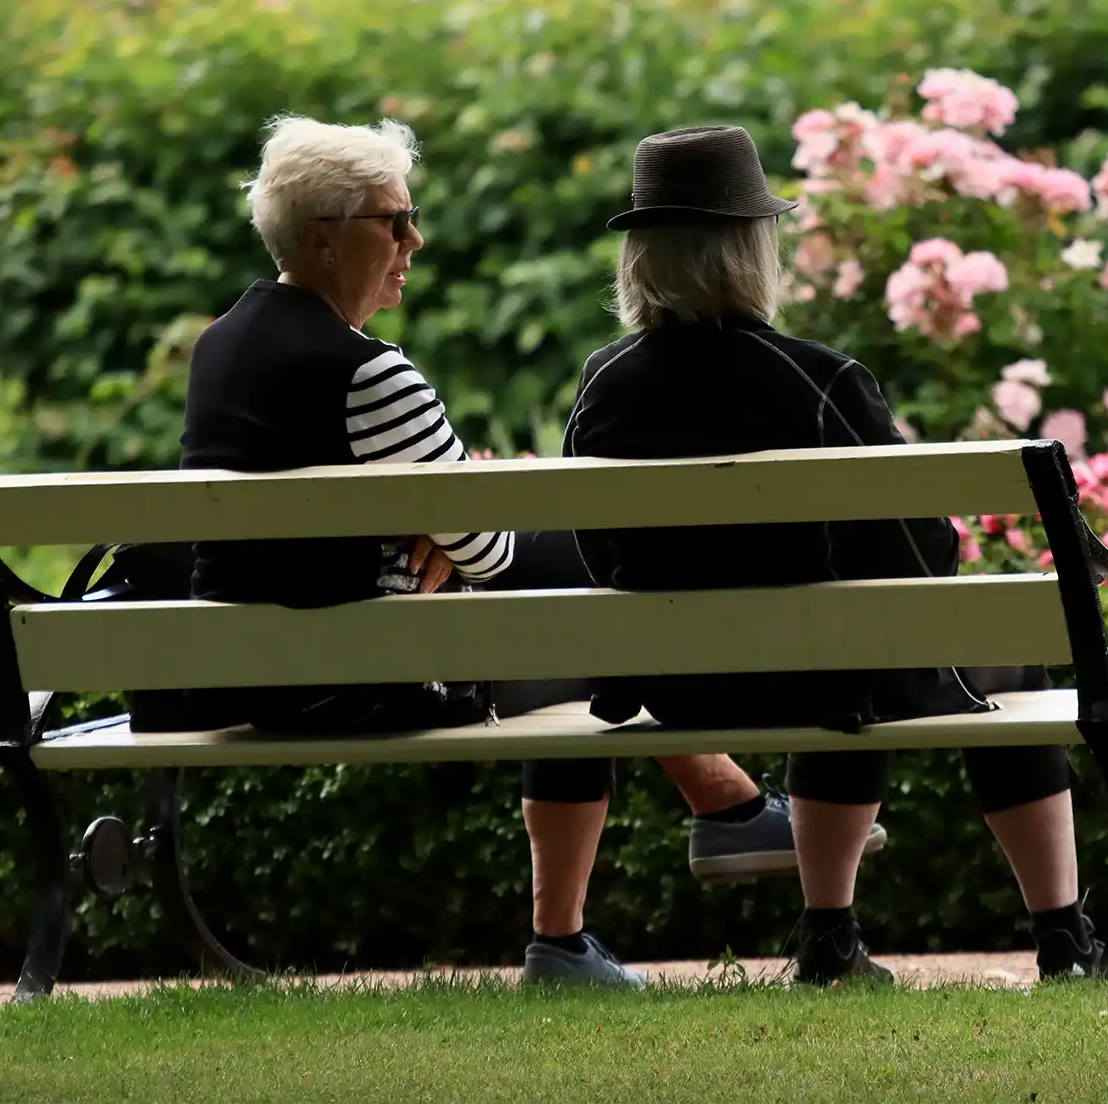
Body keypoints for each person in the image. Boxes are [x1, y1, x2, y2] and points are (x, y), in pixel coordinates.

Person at [178, 114, 875, 988]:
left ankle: (686, 836)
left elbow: (450, 532)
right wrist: (449, 534)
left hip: (248, 664)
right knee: (583, 578)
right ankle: (692, 828)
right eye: (392, 221)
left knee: (565, 594)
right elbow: (490, 548)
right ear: (323, 241)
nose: (413, 240)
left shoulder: (221, 347)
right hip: (352, 678)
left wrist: (442, 531)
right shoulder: (369, 372)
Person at [561, 124, 1105, 985]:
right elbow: (921, 547)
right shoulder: (817, 378)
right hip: (825, 671)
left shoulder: (603, 381)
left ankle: (832, 944)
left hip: (678, 685)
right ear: (750, 251)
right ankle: (1064, 939)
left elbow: (596, 548)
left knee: (846, 643)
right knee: (953, 653)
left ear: (641, 259)